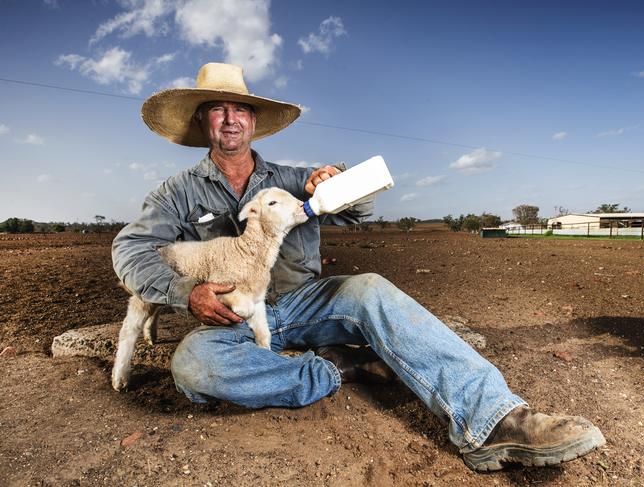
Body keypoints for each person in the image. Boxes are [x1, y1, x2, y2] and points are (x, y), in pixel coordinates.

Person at [112, 62, 605, 472]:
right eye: (218, 109)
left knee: (368, 287)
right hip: (233, 313)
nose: (230, 119)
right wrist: (186, 294)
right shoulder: (176, 193)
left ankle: (495, 422)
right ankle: (336, 367)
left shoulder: (292, 180)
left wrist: (336, 182)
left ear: (255, 121)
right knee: (194, 364)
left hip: (303, 302)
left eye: (241, 108)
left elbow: (360, 209)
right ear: (203, 122)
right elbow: (130, 250)